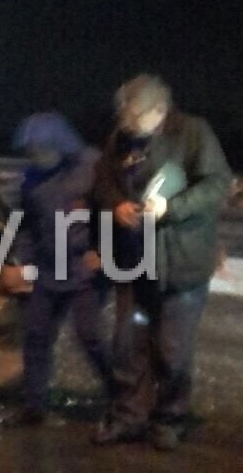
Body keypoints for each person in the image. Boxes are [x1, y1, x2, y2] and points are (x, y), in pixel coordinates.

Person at [90, 74, 232, 450]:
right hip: (133, 263)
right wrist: (114, 203)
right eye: (123, 116)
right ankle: (128, 416)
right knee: (128, 346)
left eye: (134, 117)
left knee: (172, 350)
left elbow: (217, 185)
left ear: (160, 111)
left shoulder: (193, 133)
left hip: (179, 264)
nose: (127, 125)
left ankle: (169, 420)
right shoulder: (122, 136)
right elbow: (102, 179)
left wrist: (172, 207)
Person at [0, 112, 112, 426]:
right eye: (30, 153)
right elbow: (25, 227)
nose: (35, 158)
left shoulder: (94, 167)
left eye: (40, 151)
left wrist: (104, 251)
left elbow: (115, 211)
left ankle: (123, 397)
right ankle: (34, 407)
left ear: (61, 145)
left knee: (89, 334)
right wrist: (20, 263)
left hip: (86, 269)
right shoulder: (32, 179)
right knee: (36, 335)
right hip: (47, 269)